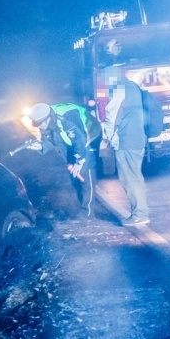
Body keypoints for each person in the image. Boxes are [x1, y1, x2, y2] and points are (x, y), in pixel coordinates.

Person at [26, 101, 101, 218]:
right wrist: (41, 146)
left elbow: (80, 140)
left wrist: (79, 161)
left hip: (89, 134)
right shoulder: (44, 120)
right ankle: (82, 203)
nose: (38, 127)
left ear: (47, 119)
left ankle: (88, 213)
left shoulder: (68, 117)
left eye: (40, 125)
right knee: (75, 174)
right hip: (73, 139)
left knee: (86, 172)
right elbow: (51, 140)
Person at [101, 67, 150, 226]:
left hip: (126, 141)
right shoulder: (133, 87)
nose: (105, 83)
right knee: (135, 176)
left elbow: (112, 116)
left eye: (105, 79)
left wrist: (107, 138)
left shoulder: (120, 90)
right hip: (138, 138)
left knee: (130, 179)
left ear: (111, 78)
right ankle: (140, 212)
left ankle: (140, 214)